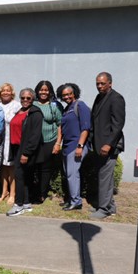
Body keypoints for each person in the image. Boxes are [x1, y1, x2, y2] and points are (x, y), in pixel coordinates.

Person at [89, 72, 125, 219]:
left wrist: (108, 144)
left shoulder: (116, 98)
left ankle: (103, 209)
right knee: (106, 177)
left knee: (104, 177)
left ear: (110, 83)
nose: (99, 86)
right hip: (99, 144)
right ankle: (110, 206)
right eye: (97, 83)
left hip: (109, 146)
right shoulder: (100, 97)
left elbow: (118, 124)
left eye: (102, 83)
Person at [6, 88, 43, 217]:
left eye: (28, 98)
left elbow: (35, 136)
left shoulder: (35, 113)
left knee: (19, 177)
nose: (25, 100)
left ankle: (18, 205)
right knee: (25, 177)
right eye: (23, 98)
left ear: (33, 99)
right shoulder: (20, 111)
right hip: (16, 148)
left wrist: (26, 153)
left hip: (25, 150)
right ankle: (26, 203)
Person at [53, 83, 90, 211]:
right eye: (64, 95)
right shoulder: (68, 108)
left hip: (76, 145)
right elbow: (62, 128)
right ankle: (71, 200)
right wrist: (59, 143)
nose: (67, 96)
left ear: (74, 93)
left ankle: (76, 202)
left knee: (72, 174)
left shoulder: (80, 105)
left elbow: (86, 128)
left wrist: (80, 146)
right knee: (69, 174)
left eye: (69, 94)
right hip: (67, 146)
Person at [33, 80, 62, 203]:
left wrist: (57, 143)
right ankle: (33, 191)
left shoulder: (55, 105)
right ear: (37, 91)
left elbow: (60, 125)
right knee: (34, 168)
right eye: (41, 89)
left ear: (50, 91)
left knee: (45, 169)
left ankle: (42, 194)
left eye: (46, 90)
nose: (43, 92)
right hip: (34, 142)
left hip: (50, 141)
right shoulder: (32, 104)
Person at [0, 83, 21, 205]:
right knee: (3, 167)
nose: (5, 92)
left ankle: (12, 194)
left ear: (12, 92)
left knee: (11, 167)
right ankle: (4, 192)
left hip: (11, 140)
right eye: (3, 91)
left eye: (8, 90)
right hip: (0, 140)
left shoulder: (17, 105)